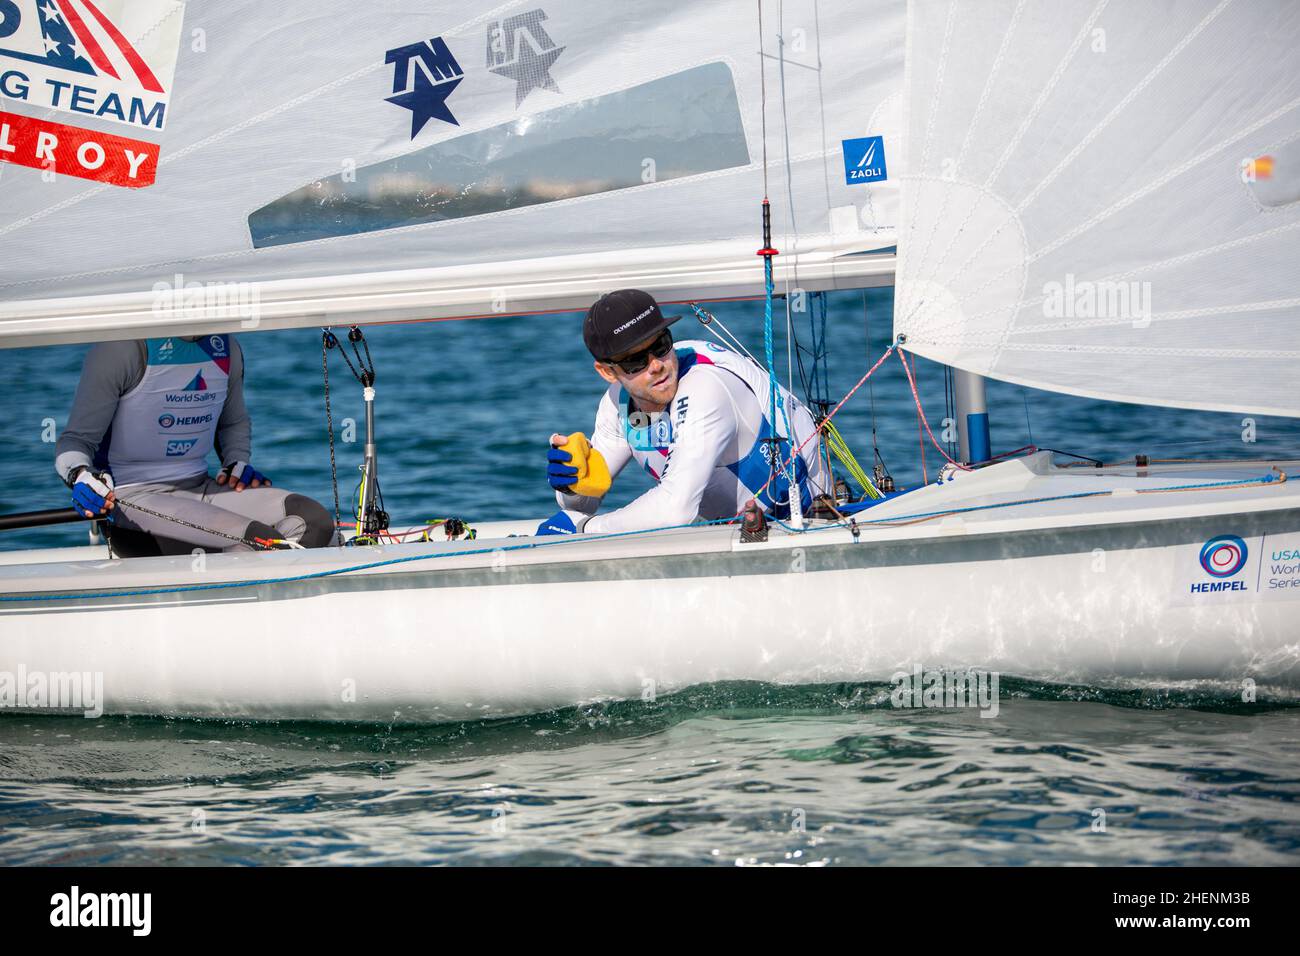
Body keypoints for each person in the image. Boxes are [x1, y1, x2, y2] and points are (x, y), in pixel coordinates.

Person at [536, 289, 827, 536]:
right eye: (635, 361)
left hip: (812, 525)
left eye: (661, 346)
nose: (656, 366)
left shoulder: (706, 386)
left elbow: (676, 510)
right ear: (607, 372)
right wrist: (571, 482)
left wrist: (586, 530)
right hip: (738, 533)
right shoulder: (616, 405)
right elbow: (580, 505)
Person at [55, 334, 334, 554]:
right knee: (262, 541)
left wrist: (236, 460)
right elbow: (76, 440)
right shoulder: (121, 350)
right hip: (133, 499)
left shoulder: (226, 348)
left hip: (200, 487)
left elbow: (233, 422)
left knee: (314, 521)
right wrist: (80, 475)